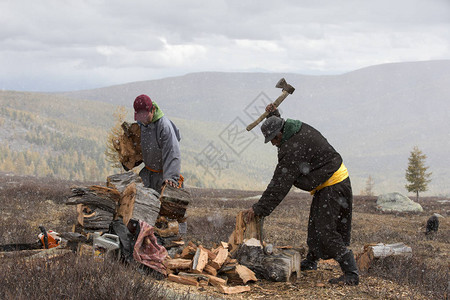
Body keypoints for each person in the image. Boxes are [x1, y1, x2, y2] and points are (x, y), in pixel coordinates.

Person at [244, 104, 359, 286]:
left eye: (273, 139)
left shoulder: (292, 149)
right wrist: (274, 114)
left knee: (326, 231)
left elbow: (279, 185)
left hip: (334, 185)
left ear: (280, 133)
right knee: (315, 225)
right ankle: (312, 261)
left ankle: (351, 273)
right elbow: (279, 126)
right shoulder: (292, 129)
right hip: (327, 181)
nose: (273, 143)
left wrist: (260, 208)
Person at [131, 94, 183, 194]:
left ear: (153, 109)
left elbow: (172, 152)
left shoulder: (164, 126)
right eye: (140, 117)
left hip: (163, 175)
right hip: (148, 174)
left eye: (145, 117)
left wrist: (171, 177)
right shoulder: (140, 124)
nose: (143, 121)